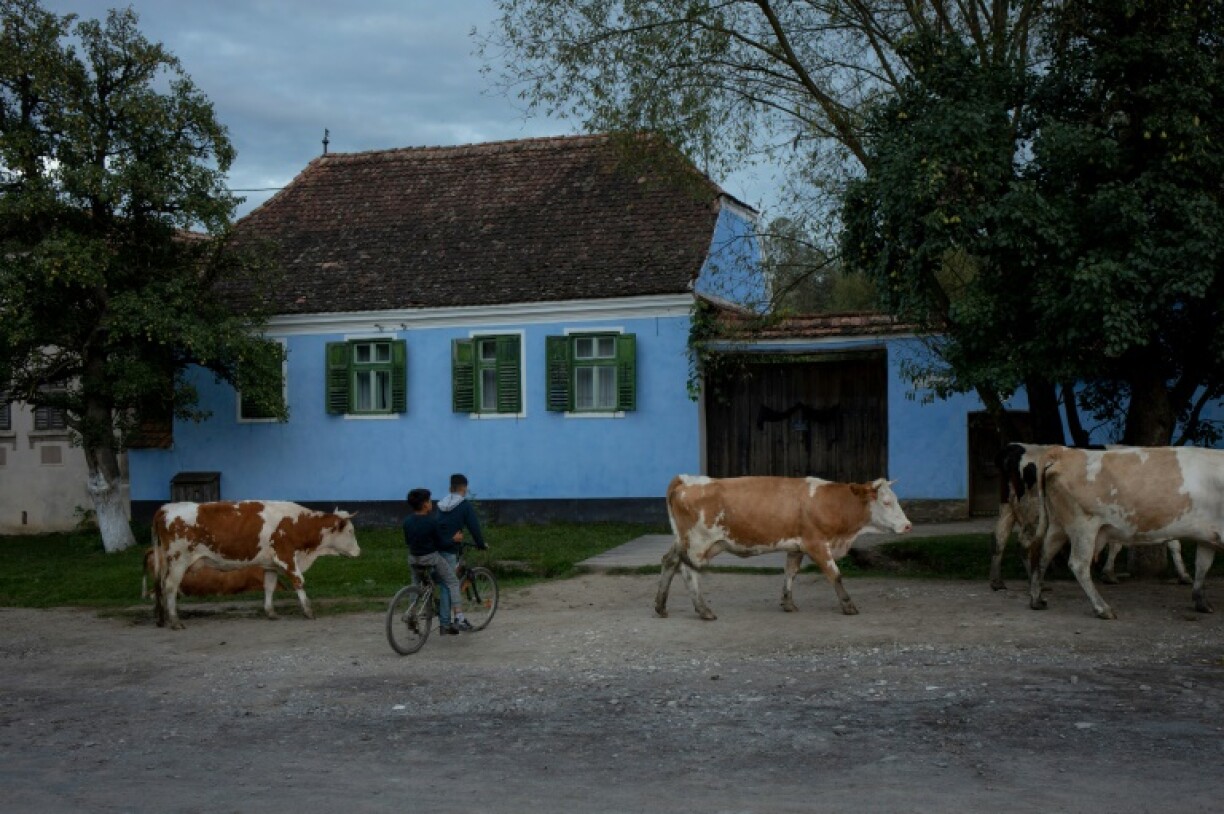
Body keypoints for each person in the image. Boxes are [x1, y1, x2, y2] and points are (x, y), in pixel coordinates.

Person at [402, 487, 471, 635]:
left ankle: (412, 612)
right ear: (425, 504)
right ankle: (459, 616)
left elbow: (408, 541)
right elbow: (442, 544)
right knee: (452, 581)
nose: (431, 503)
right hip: (431, 558)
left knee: (416, 584)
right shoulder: (431, 522)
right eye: (429, 501)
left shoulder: (407, 521)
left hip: (413, 558)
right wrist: (454, 539)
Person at [434, 473, 488, 631]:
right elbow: (474, 527)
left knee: (438, 578)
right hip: (449, 548)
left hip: (435, 546)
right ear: (464, 487)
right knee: (448, 583)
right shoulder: (464, 506)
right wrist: (480, 544)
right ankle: (445, 623)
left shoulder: (440, 504)